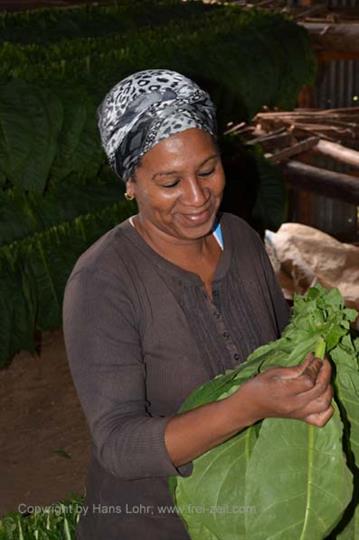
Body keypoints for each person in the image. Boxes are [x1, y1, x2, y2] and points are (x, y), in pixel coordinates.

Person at [63, 69, 333, 540]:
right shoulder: (102, 280)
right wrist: (246, 406)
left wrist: (309, 379)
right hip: (148, 523)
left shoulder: (244, 242)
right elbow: (119, 445)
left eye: (207, 170)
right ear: (131, 183)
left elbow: (282, 345)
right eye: (169, 182)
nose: (196, 197)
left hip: (248, 513)